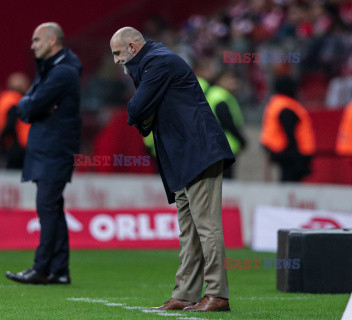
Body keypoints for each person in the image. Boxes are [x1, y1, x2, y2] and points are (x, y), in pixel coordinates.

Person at [110, 27, 234, 312]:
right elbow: (142, 115)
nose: (117, 60)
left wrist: (139, 111)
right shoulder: (151, 62)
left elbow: (137, 108)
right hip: (182, 155)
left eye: (118, 53)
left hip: (198, 151)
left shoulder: (158, 61)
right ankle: (186, 293)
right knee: (189, 230)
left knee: (206, 227)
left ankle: (217, 293)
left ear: (131, 46)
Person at [5, 22, 82, 285]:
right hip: (49, 148)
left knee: (47, 208)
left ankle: (42, 268)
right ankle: (58, 271)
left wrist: (31, 105)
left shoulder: (61, 73)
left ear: (52, 40)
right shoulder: (55, 69)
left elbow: (28, 106)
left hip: (54, 149)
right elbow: (28, 105)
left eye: (37, 40)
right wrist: (31, 105)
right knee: (53, 209)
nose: (32, 45)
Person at [260, 76, 315, 182]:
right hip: (289, 152)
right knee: (290, 183)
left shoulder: (277, 103)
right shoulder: (287, 106)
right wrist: (297, 157)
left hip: (278, 149)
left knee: (286, 181)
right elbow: (290, 132)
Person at [206, 70, 247, 178]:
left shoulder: (216, 94)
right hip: (223, 145)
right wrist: (241, 139)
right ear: (219, 80)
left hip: (217, 146)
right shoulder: (220, 96)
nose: (235, 82)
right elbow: (227, 122)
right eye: (230, 79)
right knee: (225, 182)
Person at [0, 72, 30, 169]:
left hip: (9, 144)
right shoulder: (16, 100)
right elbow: (10, 125)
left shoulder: (3, 99)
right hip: (18, 147)